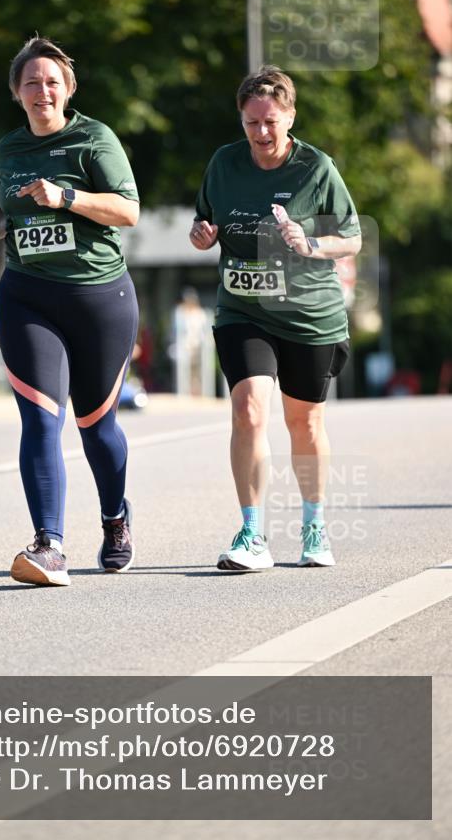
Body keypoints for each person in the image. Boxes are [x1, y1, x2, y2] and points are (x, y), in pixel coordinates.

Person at [0, 36, 140, 587]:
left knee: (96, 426)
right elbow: (2, 211)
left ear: (69, 89)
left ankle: (115, 519)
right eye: (32, 82)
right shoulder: (9, 149)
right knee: (41, 418)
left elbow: (128, 210)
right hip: (27, 296)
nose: (43, 90)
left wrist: (68, 197)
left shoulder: (94, 139)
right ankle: (49, 545)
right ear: (17, 93)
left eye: (52, 81)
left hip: (98, 299)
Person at [190, 65, 361, 571]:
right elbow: (204, 222)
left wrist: (310, 243)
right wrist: (202, 235)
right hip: (243, 308)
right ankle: (252, 534)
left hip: (308, 314)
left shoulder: (316, 168)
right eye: (252, 122)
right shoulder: (224, 164)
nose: (261, 132)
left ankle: (314, 526)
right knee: (248, 410)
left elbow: (351, 238)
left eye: (270, 121)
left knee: (303, 422)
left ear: (290, 117)